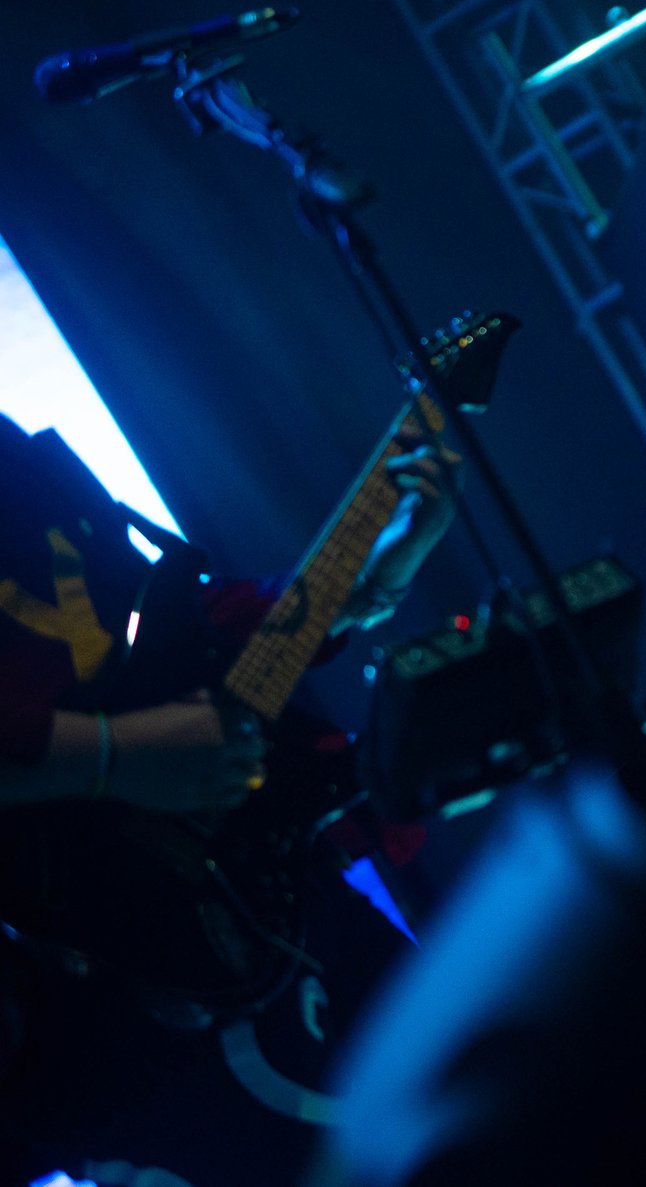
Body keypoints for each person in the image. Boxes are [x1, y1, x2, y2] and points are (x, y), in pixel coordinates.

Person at [0, 410, 459, 1185]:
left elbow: (170, 627)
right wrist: (115, 756)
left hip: (268, 897)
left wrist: (361, 581)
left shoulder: (14, 456)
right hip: (111, 1015)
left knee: (488, 1104)